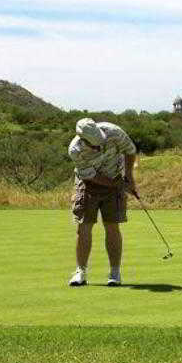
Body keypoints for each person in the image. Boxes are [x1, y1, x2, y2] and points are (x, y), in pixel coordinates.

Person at [67, 117, 138, 286]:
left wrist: (128, 176)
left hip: (114, 175)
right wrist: (118, 185)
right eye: (94, 146)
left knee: (112, 226)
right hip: (88, 184)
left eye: (100, 142)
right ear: (83, 140)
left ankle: (115, 272)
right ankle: (80, 272)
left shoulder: (113, 132)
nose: (99, 147)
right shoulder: (75, 150)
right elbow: (91, 176)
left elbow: (130, 150)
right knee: (84, 226)